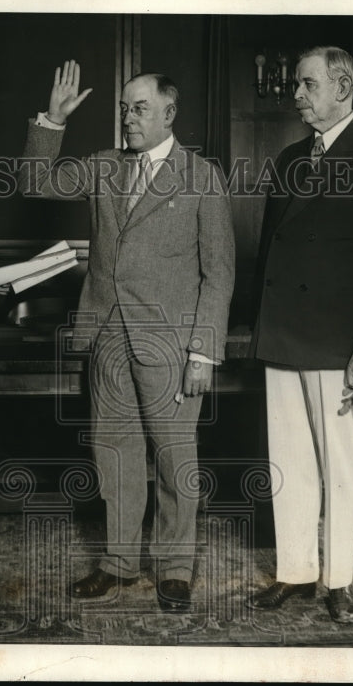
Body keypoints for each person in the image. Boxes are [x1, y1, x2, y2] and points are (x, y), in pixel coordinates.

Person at [18, 61, 235, 613]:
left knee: (173, 458)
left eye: (138, 108)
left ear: (169, 113)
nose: (127, 118)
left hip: (171, 345)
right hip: (108, 338)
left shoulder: (202, 176)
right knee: (114, 457)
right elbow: (35, 183)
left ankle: (175, 569)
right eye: (122, 108)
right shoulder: (103, 166)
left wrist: (204, 351)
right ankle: (118, 563)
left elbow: (220, 272)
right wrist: (53, 120)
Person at [246, 46, 353, 622]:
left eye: (307, 84)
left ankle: (338, 580)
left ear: (344, 88)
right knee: (287, 461)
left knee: (340, 467)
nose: (296, 94)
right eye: (297, 83)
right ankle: (295, 571)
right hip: (284, 336)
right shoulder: (291, 156)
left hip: (341, 343)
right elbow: (270, 252)